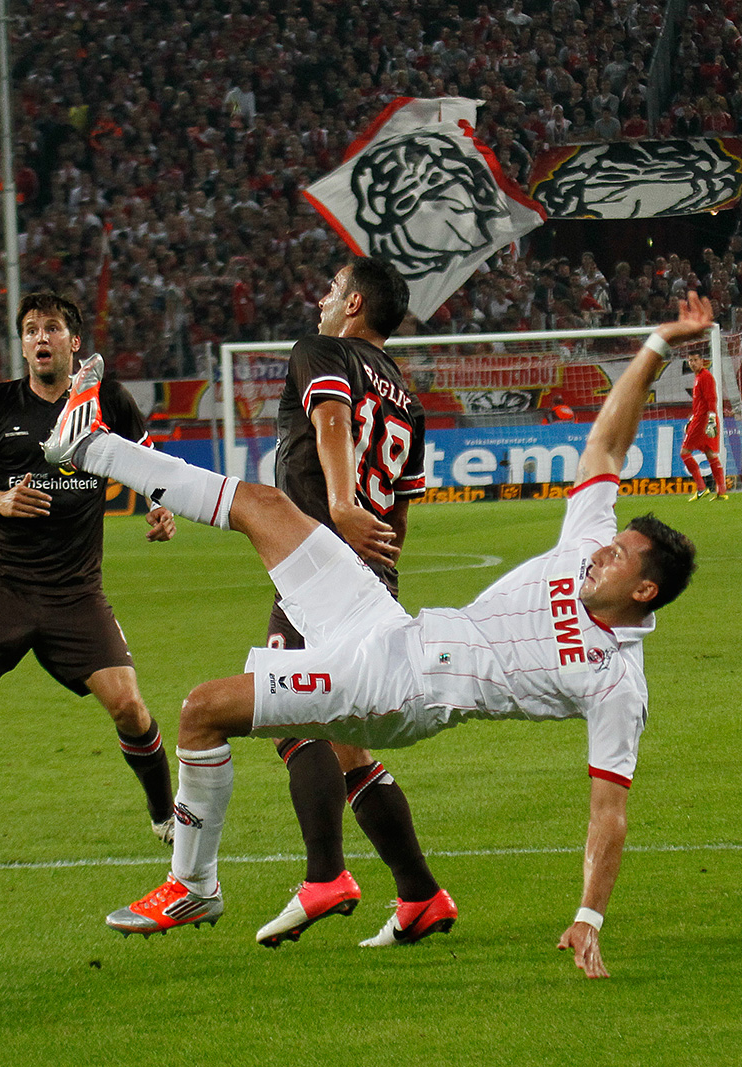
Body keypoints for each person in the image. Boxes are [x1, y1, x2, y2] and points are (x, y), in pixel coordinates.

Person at [42, 293, 713, 979]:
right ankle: (87, 444)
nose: (599, 554)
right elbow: (606, 443)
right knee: (265, 504)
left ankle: (193, 885)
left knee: (200, 710)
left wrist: (588, 916)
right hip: (394, 630)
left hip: (399, 691)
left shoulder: (616, 680)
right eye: (610, 544)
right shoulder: (586, 546)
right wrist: (658, 344)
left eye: (617, 557)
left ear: (643, 591)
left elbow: (609, 809)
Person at [0, 292, 177, 871]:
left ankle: (165, 819)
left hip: (76, 591)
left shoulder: (107, 401)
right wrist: (0, 499)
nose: (40, 339)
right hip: (3, 585)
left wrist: (161, 504)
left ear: (74, 342)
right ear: (23, 343)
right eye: (30, 330)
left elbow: (150, 465)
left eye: (51, 328)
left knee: (129, 705)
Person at [251, 257, 449, 950]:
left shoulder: (323, 354)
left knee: (283, 712)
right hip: (368, 573)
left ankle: (324, 876)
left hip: (319, 567)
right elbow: (400, 508)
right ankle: (421, 893)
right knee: (346, 744)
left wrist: (337, 506)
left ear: (355, 302)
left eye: (332, 289)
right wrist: (382, 573)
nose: (322, 299)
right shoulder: (408, 398)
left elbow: (331, 419)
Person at [681, 348, 728, 500]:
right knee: (709, 452)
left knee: (685, 452)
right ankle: (721, 491)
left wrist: (712, 419)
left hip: (704, 420)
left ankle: (701, 487)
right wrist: (691, 419)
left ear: (702, 361)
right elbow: (700, 403)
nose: (693, 363)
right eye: (690, 360)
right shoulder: (698, 377)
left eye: (695, 360)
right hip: (701, 418)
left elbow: (711, 399)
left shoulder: (705, 377)